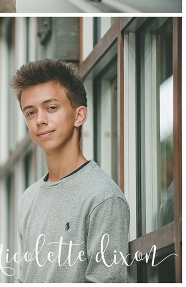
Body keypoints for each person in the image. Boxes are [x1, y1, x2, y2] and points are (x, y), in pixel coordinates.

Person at [11, 59, 130, 282]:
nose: (40, 120)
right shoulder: (28, 199)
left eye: (51, 108)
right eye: (30, 112)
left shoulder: (103, 198)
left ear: (79, 116)